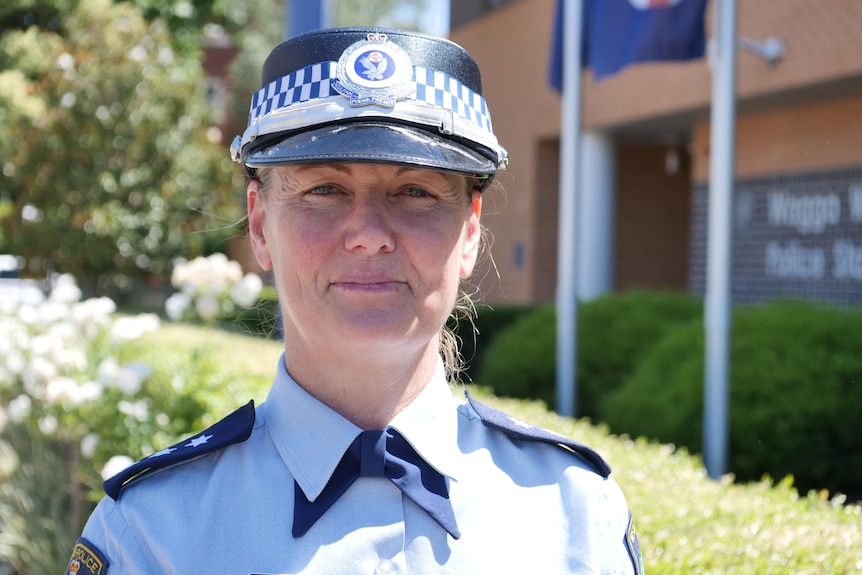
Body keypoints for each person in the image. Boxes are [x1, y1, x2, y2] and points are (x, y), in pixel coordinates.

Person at [67, 27, 644, 574]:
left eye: (415, 191)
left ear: (469, 234)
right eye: (324, 190)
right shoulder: (151, 532)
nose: (369, 232)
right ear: (261, 225)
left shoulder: (574, 513)